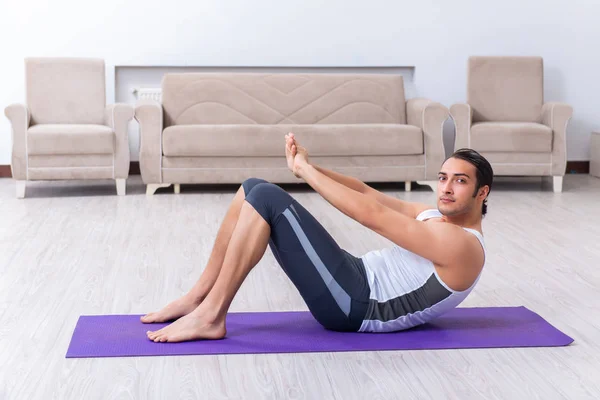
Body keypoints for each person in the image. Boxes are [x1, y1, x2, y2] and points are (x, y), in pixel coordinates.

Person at [143, 133, 493, 342]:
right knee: (253, 188)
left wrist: (306, 174)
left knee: (266, 198)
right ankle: (197, 297)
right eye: (443, 177)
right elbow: (369, 195)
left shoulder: (464, 246)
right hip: (354, 277)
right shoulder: (437, 216)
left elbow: (371, 215)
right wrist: (307, 164)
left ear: (482, 193)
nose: (446, 188)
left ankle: (212, 316)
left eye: (460, 181)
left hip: (356, 306)